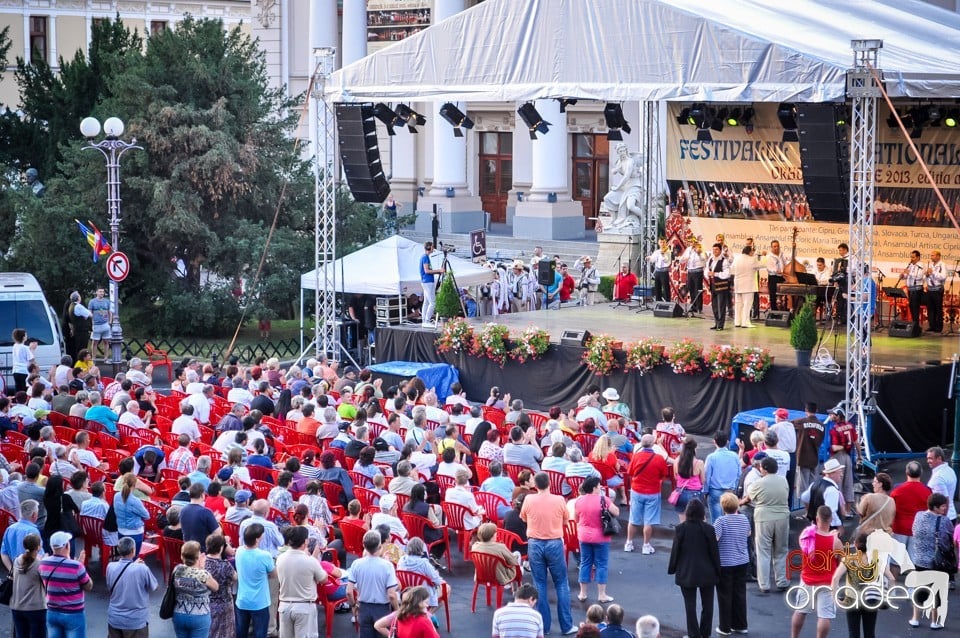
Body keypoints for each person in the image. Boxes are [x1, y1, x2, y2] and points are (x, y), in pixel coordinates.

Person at [520, 472, 574, 636]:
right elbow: (566, 520)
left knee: (540, 584)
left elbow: (523, 518)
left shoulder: (528, 499)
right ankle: (566, 626)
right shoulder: (559, 500)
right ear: (550, 483)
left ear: (535, 485)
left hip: (535, 544)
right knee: (561, 584)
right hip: (554, 543)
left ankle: (544, 627)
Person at [668, 499, 721, 638]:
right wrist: (718, 569)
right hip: (707, 571)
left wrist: (672, 568)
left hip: (687, 571)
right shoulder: (709, 529)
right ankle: (705, 633)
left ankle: (694, 634)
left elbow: (675, 551)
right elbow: (714, 552)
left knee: (690, 606)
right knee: (708, 605)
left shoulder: (681, 529)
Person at [790, 505, 842, 638]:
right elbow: (843, 561)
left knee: (800, 611)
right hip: (827, 582)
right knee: (824, 616)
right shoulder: (835, 541)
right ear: (830, 520)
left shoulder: (806, 536)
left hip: (808, 579)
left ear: (817, 518)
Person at [741, 456, 790, 593]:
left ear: (765, 469)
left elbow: (749, 498)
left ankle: (764, 584)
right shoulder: (783, 481)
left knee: (763, 551)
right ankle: (782, 580)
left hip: (763, 517)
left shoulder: (758, 483)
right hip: (782, 517)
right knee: (781, 550)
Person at [831, 532, 894, 638]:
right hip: (871, 600)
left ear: (855, 544)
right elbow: (892, 578)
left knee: (853, 632)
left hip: (852, 600)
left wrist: (835, 599)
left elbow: (835, 578)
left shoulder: (849, 559)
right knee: (869, 632)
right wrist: (888, 598)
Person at [276, 525, 327, 638]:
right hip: (304, 607)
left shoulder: (280, 558)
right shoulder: (310, 561)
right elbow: (324, 579)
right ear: (305, 542)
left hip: (284, 607)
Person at [348, 530, 400, 638]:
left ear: (364, 546)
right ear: (380, 546)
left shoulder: (356, 564)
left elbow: (348, 592)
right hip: (382, 609)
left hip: (364, 608)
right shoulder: (387, 566)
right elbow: (391, 594)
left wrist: (353, 605)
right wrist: (397, 610)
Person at [574, 475, 618, 602]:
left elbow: (576, 519)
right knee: (601, 564)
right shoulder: (604, 500)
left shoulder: (579, 501)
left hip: (584, 536)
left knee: (585, 563)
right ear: (594, 488)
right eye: (599, 486)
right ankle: (602, 595)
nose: (600, 488)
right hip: (601, 537)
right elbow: (616, 512)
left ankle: (583, 593)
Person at [40, 531, 92, 638]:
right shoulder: (76, 566)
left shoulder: (43, 563)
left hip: (52, 611)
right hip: (73, 614)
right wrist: (81, 566)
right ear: (67, 546)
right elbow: (88, 586)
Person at [106, 536, 158, 638]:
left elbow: (110, 586)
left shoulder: (110, 567)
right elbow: (154, 586)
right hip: (136, 621)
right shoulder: (142, 569)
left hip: (115, 618)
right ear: (133, 550)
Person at [713, 493, 751, 636]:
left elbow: (714, 539)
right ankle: (741, 624)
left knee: (725, 595)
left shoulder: (720, 522)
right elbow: (748, 534)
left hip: (725, 562)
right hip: (742, 561)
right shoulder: (744, 519)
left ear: (723, 506)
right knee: (740, 593)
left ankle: (725, 627)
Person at [624, 434, 668, 554]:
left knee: (633, 519)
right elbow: (664, 475)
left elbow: (630, 472)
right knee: (649, 521)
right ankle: (646, 545)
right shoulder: (659, 458)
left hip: (637, 490)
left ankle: (628, 543)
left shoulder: (636, 456)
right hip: (653, 492)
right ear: (653, 444)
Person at [171, 540, 219, 638]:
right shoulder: (203, 574)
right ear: (198, 557)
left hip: (179, 613)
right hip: (200, 616)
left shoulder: (177, 570)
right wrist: (201, 568)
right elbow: (216, 587)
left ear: (182, 556)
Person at [235, 522, 275, 638]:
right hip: (259, 603)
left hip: (242, 601)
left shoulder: (239, 551)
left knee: (241, 633)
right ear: (257, 539)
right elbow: (273, 574)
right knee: (260, 634)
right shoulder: (265, 556)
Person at [890, 460, 932, 551]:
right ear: (921, 473)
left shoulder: (897, 490)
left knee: (896, 561)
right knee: (913, 562)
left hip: (899, 529)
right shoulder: (928, 492)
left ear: (906, 472)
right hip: (918, 530)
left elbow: (891, 509)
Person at [10, 533, 45, 638]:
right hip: (35, 608)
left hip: (17, 606)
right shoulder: (39, 564)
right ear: (38, 547)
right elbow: (46, 582)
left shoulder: (16, 561)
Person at [204, 533, 237, 638]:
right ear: (221, 548)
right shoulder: (224, 565)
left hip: (207, 602)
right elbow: (236, 577)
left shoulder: (202, 562)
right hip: (224, 603)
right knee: (225, 632)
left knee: (210, 631)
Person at [373, 586, 439, 638]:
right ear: (419, 603)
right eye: (426, 602)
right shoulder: (424, 622)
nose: (427, 605)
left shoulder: (399, 616)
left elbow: (378, 625)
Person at [704, 432, 741, 522]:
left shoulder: (711, 457)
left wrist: (705, 491)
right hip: (730, 491)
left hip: (715, 491)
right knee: (730, 521)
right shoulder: (735, 456)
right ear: (727, 441)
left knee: (717, 522)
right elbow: (739, 474)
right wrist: (734, 488)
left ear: (714, 442)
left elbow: (707, 476)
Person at [113, 473, 150, 557]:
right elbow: (147, 515)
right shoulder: (135, 501)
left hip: (121, 530)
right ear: (134, 484)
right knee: (133, 558)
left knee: (123, 557)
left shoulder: (116, 496)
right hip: (135, 532)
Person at [730, 244, 765, 328]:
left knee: (738, 304)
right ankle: (745, 322)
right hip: (748, 285)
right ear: (750, 252)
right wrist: (762, 256)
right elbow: (763, 264)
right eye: (752, 252)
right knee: (747, 304)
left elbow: (732, 270)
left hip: (738, 284)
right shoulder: (752, 259)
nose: (753, 253)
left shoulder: (737, 258)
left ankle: (737, 322)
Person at [672, 437, 705, 523]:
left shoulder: (676, 461)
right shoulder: (699, 463)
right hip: (695, 494)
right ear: (694, 448)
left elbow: (676, 477)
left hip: (681, 493)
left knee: (683, 522)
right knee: (700, 520)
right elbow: (703, 480)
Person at [926, 446, 958, 521]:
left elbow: (944, 500)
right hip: (951, 515)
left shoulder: (938, 477)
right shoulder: (950, 470)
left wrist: (942, 521)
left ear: (939, 458)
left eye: (930, 458)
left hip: (943, 518)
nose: (928, 461)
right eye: (927, 458)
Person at [706, 243, 731, 330]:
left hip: (721, 286)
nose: (714, 251)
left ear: (720, 250)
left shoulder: (724, 260)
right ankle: (716, 323)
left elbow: (727, 274)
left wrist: (715, 274)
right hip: (713, 285)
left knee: (721, 306)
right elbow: (706, 270)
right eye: (713, 250)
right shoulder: (711, 259)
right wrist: (707, 274)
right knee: (714, 306)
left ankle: (720, 325)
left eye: (716, 249)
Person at [419, 241, 443, 327]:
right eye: (432, 246)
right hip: (427, 282)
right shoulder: (425, 257)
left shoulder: (425, 257)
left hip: (427, 281)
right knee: (433, 302)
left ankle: (424, 320)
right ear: (429, 247)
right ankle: (426, 321)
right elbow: (427, 271)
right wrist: (438, 271)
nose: (433, 248)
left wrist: (437, 272)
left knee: (426, 302)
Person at [679, 241, 706, 313]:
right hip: (690, 271)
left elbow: (704, 259)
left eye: (694, 242)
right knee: (691, 289)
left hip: (698, 271)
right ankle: (693, 306)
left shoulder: (700, 249)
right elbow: (681, 260)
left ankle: (699, 307)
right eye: (691, 242)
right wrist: (684, 259)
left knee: (698, 289)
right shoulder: (688, 250)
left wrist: (699, 253)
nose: (692, 244)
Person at [906, 249, 925, 335]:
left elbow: (919, 277)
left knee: (915, 308)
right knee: (912, 307)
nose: (912, 259)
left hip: (917, 290)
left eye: (913, 257)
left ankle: (916, 327)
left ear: (918, 257)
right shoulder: (911, 265)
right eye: (911, 257)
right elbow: (908, 276)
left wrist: (909, 273)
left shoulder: (920, 266)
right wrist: (903, 275)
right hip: (911, 290)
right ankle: (914, 325)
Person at [11, 328, 36, 393]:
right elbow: (31, 359)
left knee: (18, 389)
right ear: (23, 337)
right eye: (25, 335)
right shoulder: (25, 347)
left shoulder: (15, 346)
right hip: (24, 371)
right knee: (24, 390)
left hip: (15, 371)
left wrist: (29, 349)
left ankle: (18, 401)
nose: (26, 336)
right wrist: (32, 349)